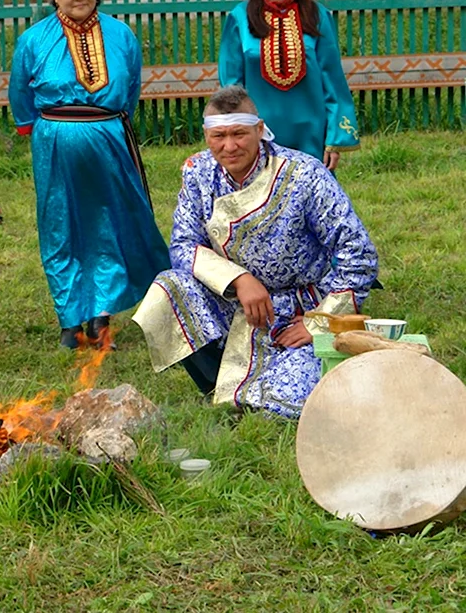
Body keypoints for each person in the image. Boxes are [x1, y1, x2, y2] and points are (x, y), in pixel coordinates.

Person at [131, 85, 378, 419]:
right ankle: (215, 383)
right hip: (234, 301)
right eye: (218, 136)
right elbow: (183, 245)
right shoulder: (198, 173)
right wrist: (239, 280)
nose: (229, 146)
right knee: (168, 289)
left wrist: (322, 321)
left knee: (279, 405)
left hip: (300, 308)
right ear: (206, 135)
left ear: (260, 131)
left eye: (239, 134)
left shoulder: (303, 174)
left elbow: (358, 253)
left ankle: (255, 390)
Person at [10, 0, 169, 350]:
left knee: (108, 224)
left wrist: (111, 125)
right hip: (55, 141)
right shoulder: (33, 40)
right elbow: (20, 97)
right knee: (61, 226)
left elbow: (130, 89)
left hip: (109, 136)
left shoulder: (121, 35)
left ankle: (100, 317)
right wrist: (39, 129)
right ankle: (69, 319)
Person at [219, 0, 359, 168]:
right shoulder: (239, 18)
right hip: (259, 135)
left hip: (311, 134)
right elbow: (231, 85)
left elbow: (333, 79)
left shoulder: (317, 16)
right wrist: (235, 134)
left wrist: (335, 139)